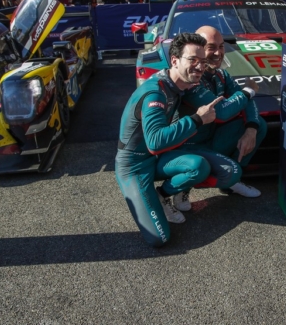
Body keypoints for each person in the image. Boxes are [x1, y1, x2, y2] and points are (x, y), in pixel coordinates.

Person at [115, 32, 243, 246]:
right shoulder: (155, 92)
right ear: (174, 60)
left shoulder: (180, 85)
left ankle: (163, 194)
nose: (200, 67)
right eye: (192, 60)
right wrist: (197, 120)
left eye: (202, 61)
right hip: (134, 165)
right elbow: (155, 142)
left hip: (160, 157)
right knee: (159, 239)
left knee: (204, 167)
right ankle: (150, 197)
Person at [173, 26, 268, 210]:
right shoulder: (190, 77)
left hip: (211, 138)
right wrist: (249, 90)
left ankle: (231, 182)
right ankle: (182, 187)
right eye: (211, 47)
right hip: (188, 146)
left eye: (221, 46)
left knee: (259, 125)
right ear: (198, 50)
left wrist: (251, 129)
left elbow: (246, 102)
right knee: (207, 166)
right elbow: (222, 111)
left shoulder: (221, 74)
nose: (218, 53)